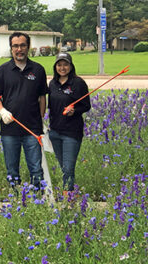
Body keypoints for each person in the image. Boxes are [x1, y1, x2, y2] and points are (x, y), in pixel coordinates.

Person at [0, 32, 47, 191]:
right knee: (12, 170)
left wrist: (41, 121)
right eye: (15, 46)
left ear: (28, 47)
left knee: (36, 168)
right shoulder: (1, 71)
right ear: (11, 48)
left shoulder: (38, 70)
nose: (19, 49)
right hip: (10, 130)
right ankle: (16, 199)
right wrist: (1, 110)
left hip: (32, 129)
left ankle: (38, 198)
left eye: (22, 45)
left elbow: (42, 97)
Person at [47, 52, 91, 195]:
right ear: (55, 67)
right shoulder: (52, 84)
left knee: (68, 167)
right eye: (59, 65)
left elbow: (86, 105)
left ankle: (68, 197)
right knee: (63, 167)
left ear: (71, 66)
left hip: (71, 132)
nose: (62, 67)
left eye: (65, 64)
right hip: (54, 132)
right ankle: (70, 193)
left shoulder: (78, 83)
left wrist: (74, 110)